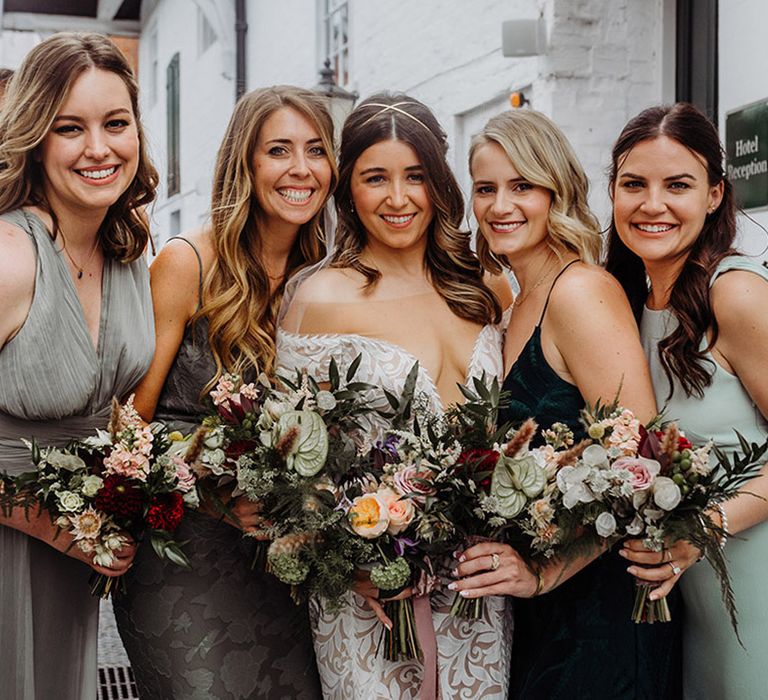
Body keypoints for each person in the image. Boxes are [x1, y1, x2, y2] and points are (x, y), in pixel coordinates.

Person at [277, 93, 514, 699]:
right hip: (372, 597)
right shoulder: (320, 296)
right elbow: (288, 461)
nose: (399, 198)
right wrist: (346, 552)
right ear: (347, 189)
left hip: (478, 585)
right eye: (374, 178)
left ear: (439, 180)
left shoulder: (483, 283)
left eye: (415, 176)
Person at [111, 85, 334, 699]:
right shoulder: (187, 263)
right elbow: (130, 427)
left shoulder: (329, 277)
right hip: (185, 556)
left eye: (316, 150)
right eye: (279, 150)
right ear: (246, 163)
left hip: (288, 560)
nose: (301, 169)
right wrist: (216, 487)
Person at [451, 109, 682, 699]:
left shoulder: (580, 291)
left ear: (557, 192)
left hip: (602, 607)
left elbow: (644, 459)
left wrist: (546, 571)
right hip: (540, 613)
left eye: (522, 185)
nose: (501, 205)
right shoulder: (510, 302)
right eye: (486, 188)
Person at [0, 33, 157, 699]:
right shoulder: (11, 255)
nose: (100, 148)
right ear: (36, 136)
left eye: (116, 123)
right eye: (71, 128)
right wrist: (44, 522)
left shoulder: (127, 253)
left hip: (70, 560)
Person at [606, 102, 768, 700]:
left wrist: (704, 528)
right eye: (633, 184)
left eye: (678, 185)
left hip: (754, 585)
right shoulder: (625, 306)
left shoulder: (738, 294)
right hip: (686, 600)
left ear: (714, 195)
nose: (652, 204)